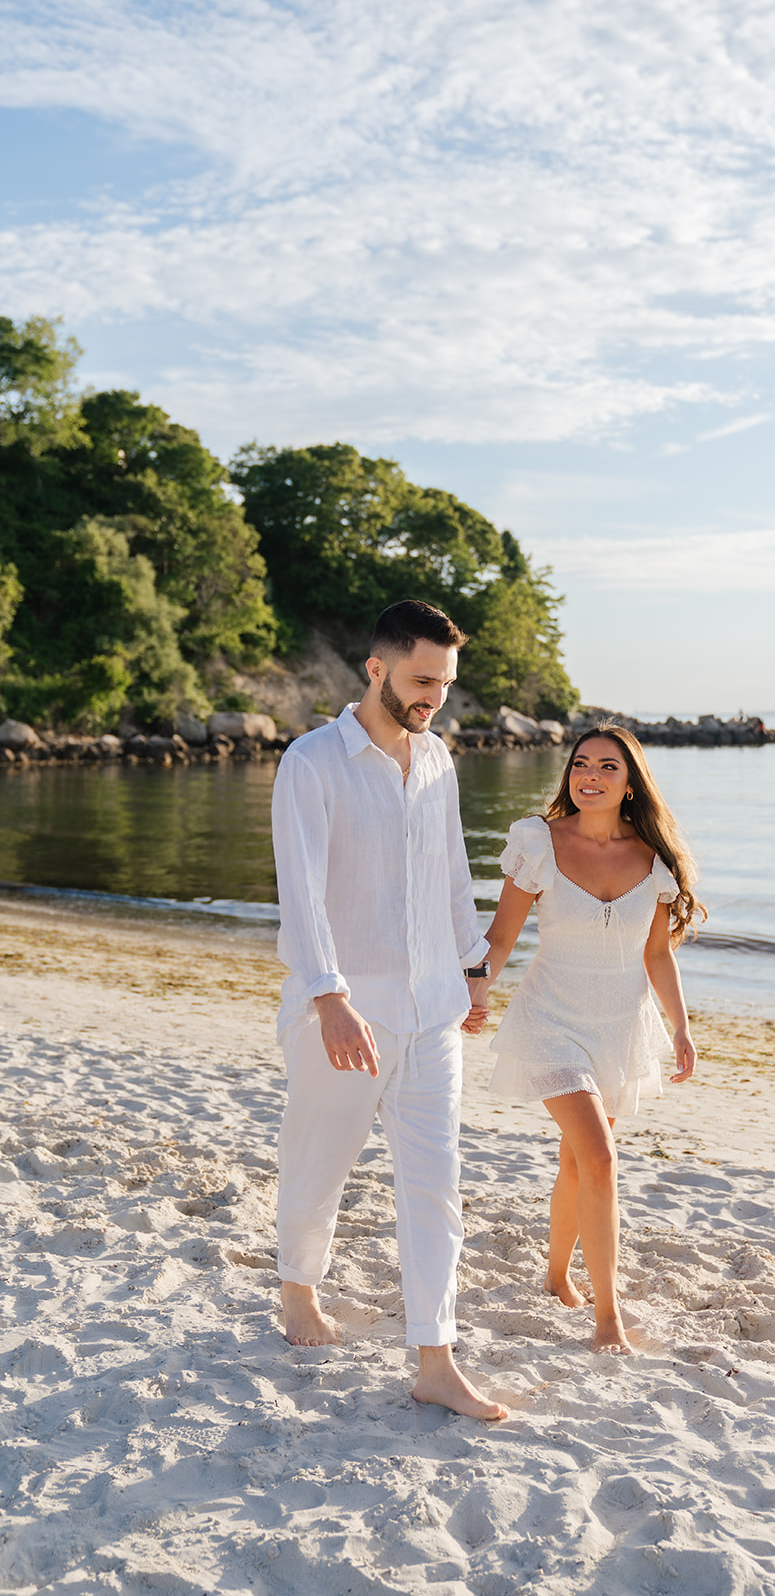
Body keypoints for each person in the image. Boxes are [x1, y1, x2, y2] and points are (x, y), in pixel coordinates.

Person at [270, 598, 506, 1420]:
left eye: (443, 683)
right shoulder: (311, 762)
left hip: (432, 1009)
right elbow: (298, 895)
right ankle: (298, 1289)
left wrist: (472, 969)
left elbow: (448, 878)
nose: (433, 697)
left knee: (436, 1184)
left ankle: (435, 1358)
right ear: (375, 668)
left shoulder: (437, 760)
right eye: (419, 679)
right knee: (319, 1160)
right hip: (345, 1007)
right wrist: (327, 998)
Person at [469, 724, 705, 1355]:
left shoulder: (653, 861)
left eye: (607, 767)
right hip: (551, 1020)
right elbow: (499, 939)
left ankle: (555, 1276)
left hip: (620, 1027)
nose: (590, 776)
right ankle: (608, 1317)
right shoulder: (538, 842)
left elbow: (657, 952)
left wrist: (680, 1024)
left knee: (578, 1159)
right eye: (580, 764)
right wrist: (478, 987)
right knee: (600, 1157)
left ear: (631, 784)